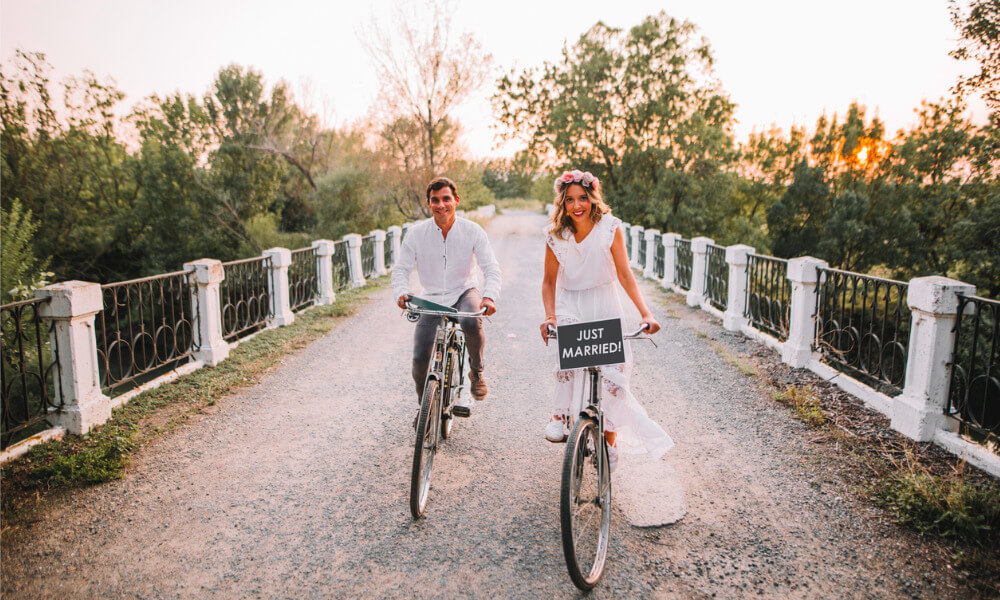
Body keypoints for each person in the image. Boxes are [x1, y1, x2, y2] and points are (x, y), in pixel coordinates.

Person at [539, 170, 673, 471]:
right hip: (569, 301)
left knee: (614, 379)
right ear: (562, 202)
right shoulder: (554, 235)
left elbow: (625, 275)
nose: (577, 206)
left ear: (592, 198)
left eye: (583, 198)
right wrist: (549, 316)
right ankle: (559, 415)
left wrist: (645, 312)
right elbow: (548, 282)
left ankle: (610, 442)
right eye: (570, 199)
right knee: (570, 354)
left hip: (605, 303)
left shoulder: (610, 228)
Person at [393, 176, 501, 417]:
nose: (441, 205)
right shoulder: (416, 233)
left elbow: (491, 268)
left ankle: (476, 371)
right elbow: (401, 269)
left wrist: (489, 296)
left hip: (464, 291)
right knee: (420, 358)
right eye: (435, 200)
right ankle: (425, 407)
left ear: (456, 201)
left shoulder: (472, 230)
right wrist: (401, 291)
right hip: (430, 297)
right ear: (428, 203)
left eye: (446, 199)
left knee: (471, 321)